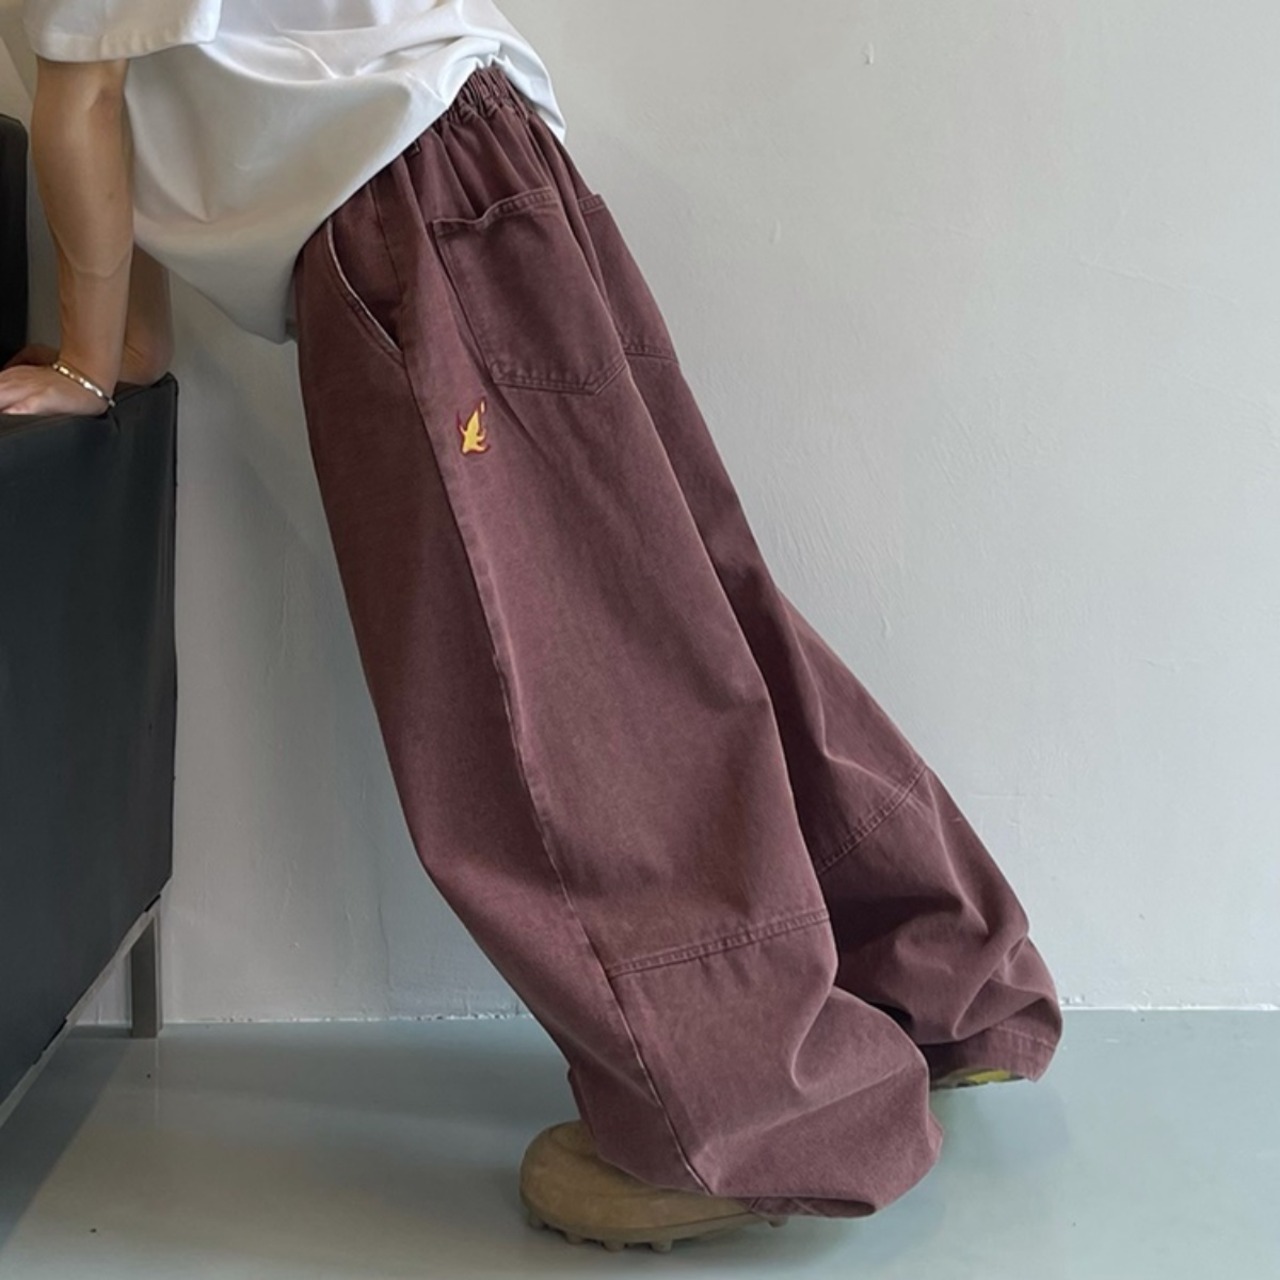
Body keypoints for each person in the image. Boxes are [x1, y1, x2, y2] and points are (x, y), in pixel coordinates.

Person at [0, 0, 1064, 1254]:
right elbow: (122, 89)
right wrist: (119, 346)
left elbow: (82, 95)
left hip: (401, 218)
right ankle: (929, 966)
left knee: (551, 691)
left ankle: (740, 1115)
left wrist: (87, 362)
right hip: (487, 162)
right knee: (683, 611)